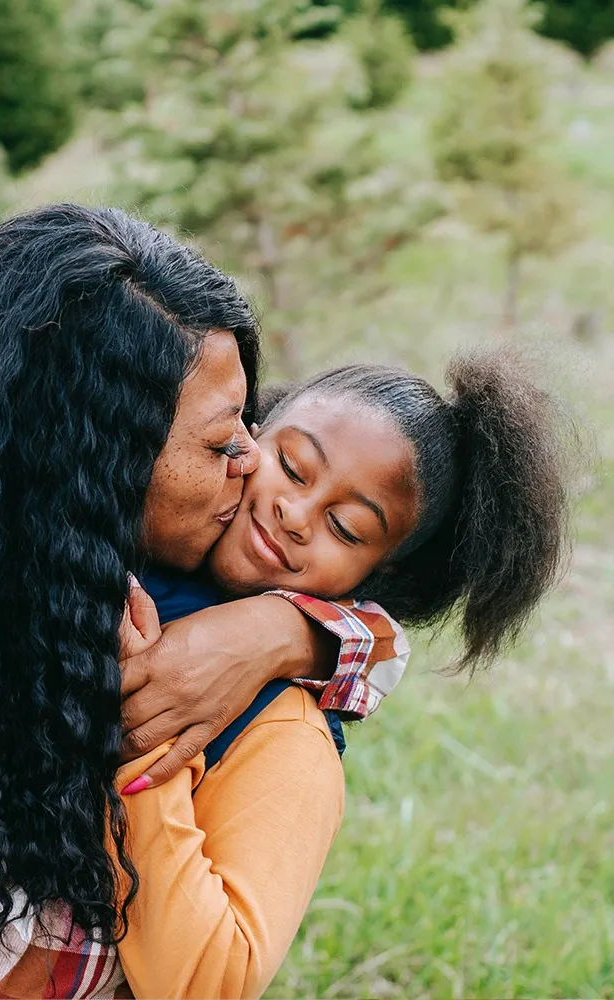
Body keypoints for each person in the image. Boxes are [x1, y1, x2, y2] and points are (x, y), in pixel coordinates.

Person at [0, 205, 407, 999]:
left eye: (249, 429)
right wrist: (148, 762)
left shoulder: (12, 530)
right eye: (221, 441)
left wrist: (294, 631)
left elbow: (382, 639)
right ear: (92, 455)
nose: (250, 468)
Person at [106, 351, 574, 998]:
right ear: (248, 430)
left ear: (376, 577)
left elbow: (211, 979)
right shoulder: (144, 514)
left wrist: (147, 752)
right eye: (292, 467)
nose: (295, 516)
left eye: (345, 528)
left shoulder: (287, 735)